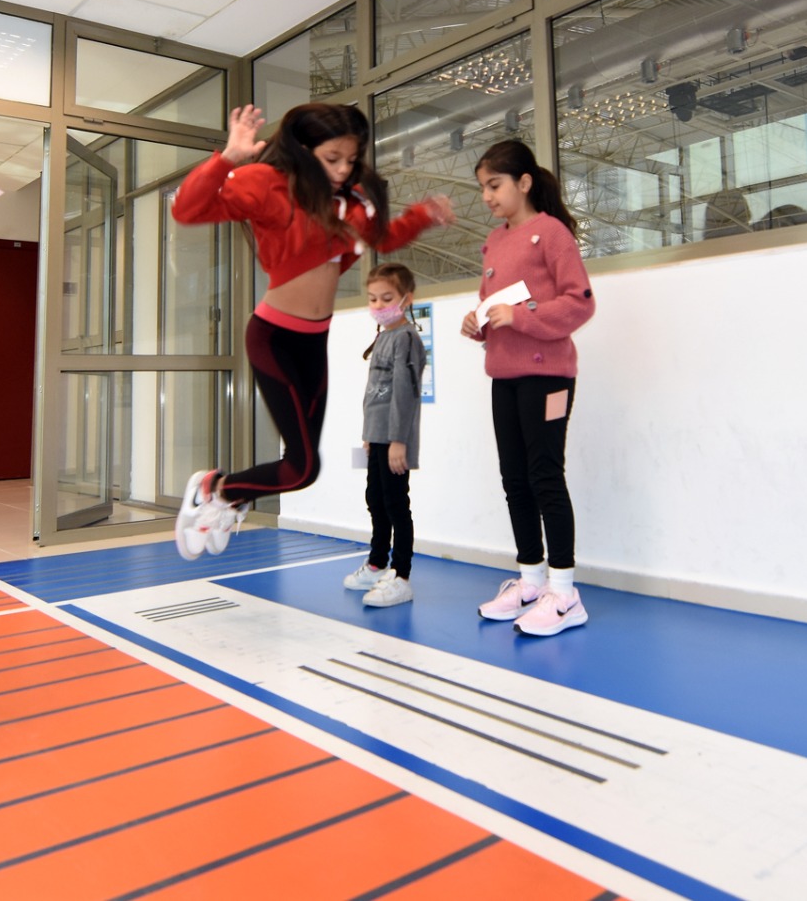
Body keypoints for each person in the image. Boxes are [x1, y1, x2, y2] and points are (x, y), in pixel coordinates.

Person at [169, 103, 454, 559]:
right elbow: (188, 209)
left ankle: (227, 495)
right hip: (273, 338)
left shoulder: (351, 201)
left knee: (299, 467)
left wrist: (421, 216)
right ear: (303, 150)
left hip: (313, 343)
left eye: (350, 159)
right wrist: (230, 157)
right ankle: (216, 489)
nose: (343, 169)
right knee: (303, 469)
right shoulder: (267, 184)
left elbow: (383, 238)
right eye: (331, 158)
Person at [459, 140, 597, 637]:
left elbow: (580, 303)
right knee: (514, 479)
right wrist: (479, 324)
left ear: (524, 182)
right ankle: (531, 581)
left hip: (548, 376)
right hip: (505, 375)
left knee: (544, 476)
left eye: (494, 185)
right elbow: (493, 306)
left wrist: (520, 316)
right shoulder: (494, 242)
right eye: (482, 188)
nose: (487, 197)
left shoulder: (552, 233)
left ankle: (565, 593)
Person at [344, 263, 427, 608]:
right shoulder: (383, 337)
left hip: (394, 440)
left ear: (407, 299)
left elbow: (404, 394)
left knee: (396, 504)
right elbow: (375, 394)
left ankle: (401, 574)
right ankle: (377, 563)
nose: (379, 305)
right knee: (375, 499)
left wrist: (398, 440)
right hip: (377, 437)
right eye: (373, 298)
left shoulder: (406, 338)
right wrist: (368, 435)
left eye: (387, 298)